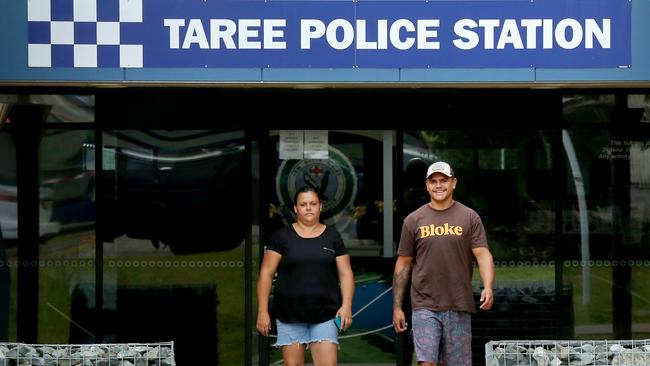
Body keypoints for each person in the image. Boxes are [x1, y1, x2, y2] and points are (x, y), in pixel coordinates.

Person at [392, 161, 494, 366]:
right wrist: (397, 307)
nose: (438, 185)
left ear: (453, 183)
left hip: (459, 304)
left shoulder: (469, 217)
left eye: (443, 181)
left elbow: (482, 254)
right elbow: (403, 264)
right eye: (433, 181)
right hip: (424, 305)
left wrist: (488, 286)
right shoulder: (413, 220)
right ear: (427, 185)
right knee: (426, 362)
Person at [257, 186, 355, 366]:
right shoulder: (282, 236)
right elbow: (266, 274)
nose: (308, 208)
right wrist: (263, 311)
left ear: (320, 207)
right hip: (290, 316)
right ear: (296, 208)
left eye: (313, 203)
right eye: (303, 204)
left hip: (325, 315)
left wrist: (347, 305)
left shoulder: (332, 236)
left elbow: (346, 273)